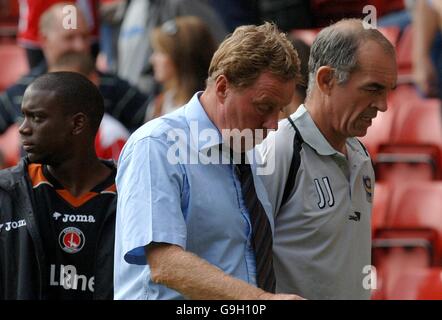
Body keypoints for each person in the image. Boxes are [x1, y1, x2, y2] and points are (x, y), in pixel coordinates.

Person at [114, 22, 303, 300]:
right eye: (264, 106)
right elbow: (165, 264)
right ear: (224, 87)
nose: (274, 124)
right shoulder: (156, 145)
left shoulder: (247, 149)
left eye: (279, 109)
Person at [256, 19, 397, 299]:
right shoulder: (278, 150)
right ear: (326, 80)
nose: (383, 105)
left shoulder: (361, 157)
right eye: (373, 89)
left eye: (388, 91)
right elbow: (240, 255)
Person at [0, 72, 116, 299]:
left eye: (37, 118)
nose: (23, 128)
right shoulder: (6, 192)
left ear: (77, 124)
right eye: (24, 116)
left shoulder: (130, 194)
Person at [0, 2, 149, 135]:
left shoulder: (113, 87)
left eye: (85, 37)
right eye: (69, 38)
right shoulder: (23, 89)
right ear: (44, 39)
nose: (80, 46)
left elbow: (151, 122)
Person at [117, 0, 227, 94]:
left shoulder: (181, 3)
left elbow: (212, 50)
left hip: (184, 93)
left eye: (159, 52)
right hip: (146, 100)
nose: (152, 59)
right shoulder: (131, 5)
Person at [49, 52, 129, 162]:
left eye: (69, 84)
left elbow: (120, 177)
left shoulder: (110, 135)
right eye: (53, 85)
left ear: (93, 80)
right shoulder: (46, 131)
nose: (60, 92)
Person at [146, 16, 217, 121]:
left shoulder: (211, 108)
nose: (152, 59)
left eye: (161, 52)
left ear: (182, 58)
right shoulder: (159, 105)